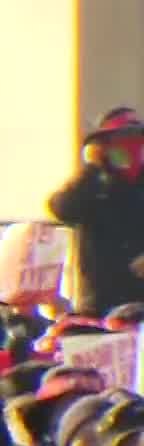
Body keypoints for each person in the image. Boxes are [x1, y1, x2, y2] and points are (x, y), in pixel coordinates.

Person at [47, 107, 144, 315]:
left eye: (136, 137)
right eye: (122, 138)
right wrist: (92, 168)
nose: (131, 145)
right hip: (100, 300)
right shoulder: (94, 181)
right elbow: (61, 208)